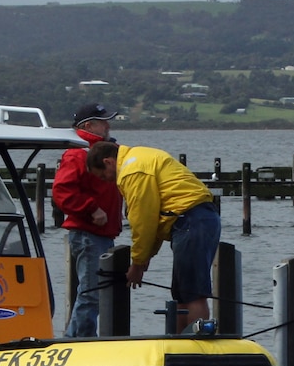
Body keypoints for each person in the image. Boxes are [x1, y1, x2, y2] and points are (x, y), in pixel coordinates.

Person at [86, 141, 221, 332]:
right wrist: (147, 256)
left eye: (103, 175)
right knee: (182, 292)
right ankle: (182, 341)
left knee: (193, 292)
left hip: (190, 219)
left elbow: (144, 220)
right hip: (196, 218)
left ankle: (198, 344)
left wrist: (138, 264)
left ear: (108, 162)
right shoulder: (141, 156)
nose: (106, 181)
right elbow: (157, 217)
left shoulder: (131, 171)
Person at [52, 103, 123, 337]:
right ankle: (77, 341)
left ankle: (78, 339)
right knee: (92, 292)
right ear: (89, 125)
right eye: (103, 122)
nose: (108, 126)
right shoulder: (78, 153)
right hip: (89, 233)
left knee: (94, 292)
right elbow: (62, 191)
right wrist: (91, 208)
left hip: (99, 234)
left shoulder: (100, 151)